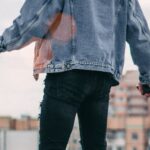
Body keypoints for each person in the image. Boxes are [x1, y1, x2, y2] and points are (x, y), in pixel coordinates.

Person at [0, 0, 150, 149]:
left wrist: (4, 42)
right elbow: (139, 32)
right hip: (102, 77)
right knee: (95, 146)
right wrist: (147, 77)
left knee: (52, 145)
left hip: (67, 74)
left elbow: (34, 17)